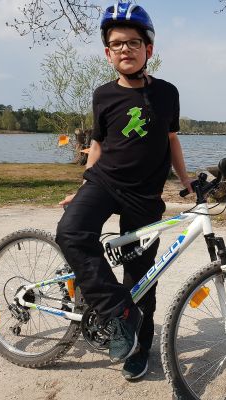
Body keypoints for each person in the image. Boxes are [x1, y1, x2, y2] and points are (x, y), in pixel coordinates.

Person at [55, 1, 191, 381]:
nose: (125, 49)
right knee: (71, 232)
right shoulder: (103, 95)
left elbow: (172, 139)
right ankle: (119, 312)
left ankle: (138, 348)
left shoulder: (167, 93)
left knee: (141, 277)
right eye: (116, 44)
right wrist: (83, 187)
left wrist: (186, 180)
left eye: (133, 42)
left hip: (144, 196)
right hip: (105, 182)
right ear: (107, 53)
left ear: (149, 49)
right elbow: (97, 146)